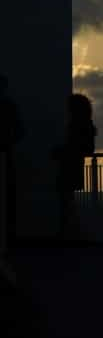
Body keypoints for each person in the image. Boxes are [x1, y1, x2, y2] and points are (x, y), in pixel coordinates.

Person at [52, 94, 96, 238]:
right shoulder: (86, 124)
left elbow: (78, 146)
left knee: (66, 200)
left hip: (70, 165)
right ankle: (69, 232)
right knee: (67, 199)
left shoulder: (77, 125)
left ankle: (67, 233)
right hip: (74, 165)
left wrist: (63, 151)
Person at [0, 74, 24, 252]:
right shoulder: (9, 107)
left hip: (6, 155)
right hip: (6, 156)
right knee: (8, 197)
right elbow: (19, 131)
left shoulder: (8, 107)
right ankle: (9, 236)